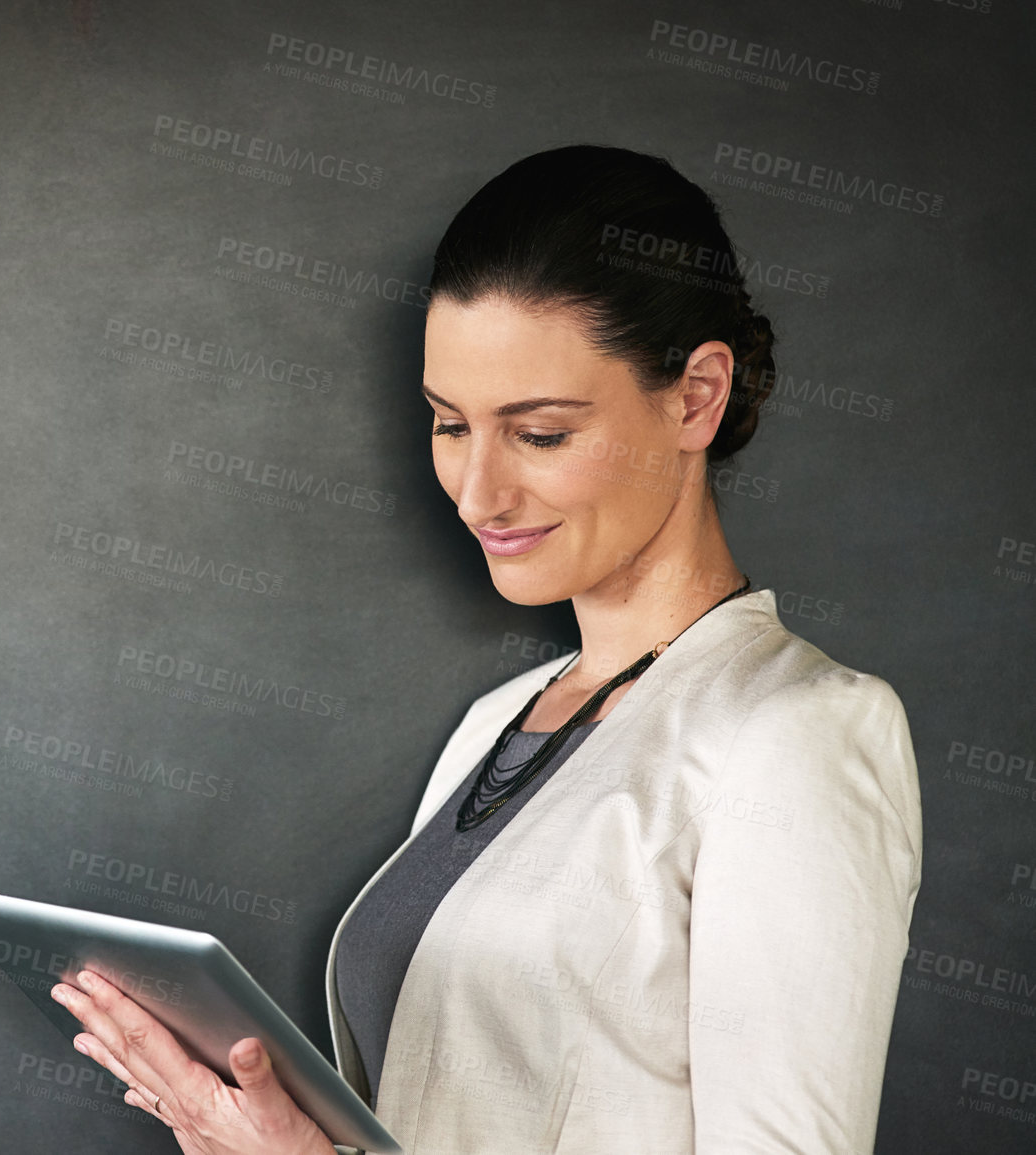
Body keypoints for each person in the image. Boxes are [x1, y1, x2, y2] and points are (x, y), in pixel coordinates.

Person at [51, 145, 923, 1155]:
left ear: (696, 396)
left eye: (541, 434)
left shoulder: (796, 733)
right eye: (449, 425)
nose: (477, 495)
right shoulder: (493, 726)